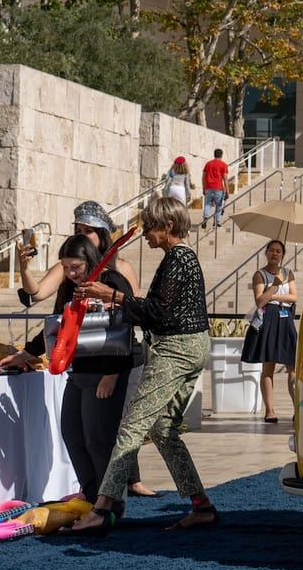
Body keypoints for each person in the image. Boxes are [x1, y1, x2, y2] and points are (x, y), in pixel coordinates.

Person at [70, 196, 217, 534]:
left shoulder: (177, 259)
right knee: (163, 430)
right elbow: (158, 309)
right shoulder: (182, 258)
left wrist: (112, 296)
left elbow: (156, 312)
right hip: (192, 346)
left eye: (150, 227)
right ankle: (202, 506)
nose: (146, 233)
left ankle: (102, 508)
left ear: (168, 226)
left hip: (176, 349)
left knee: (132, 427)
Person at [17, 201, 152, 497]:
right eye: (66, 268)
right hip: (79, 370)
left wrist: (112, 374)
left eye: (75, 268)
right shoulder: (71, 283)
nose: (70, 273)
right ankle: (92, 497)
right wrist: (28, 352)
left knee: (99, 438)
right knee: (73, 435)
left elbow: (125, 326)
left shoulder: (112, 278)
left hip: (107, 370)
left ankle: (109, 501)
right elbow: (58, 322)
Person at [244, 239, 298, 423]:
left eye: (278, 251)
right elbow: (260, 301)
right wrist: (274, 285)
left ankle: (297, 408)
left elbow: (294, 297)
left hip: (285, 318)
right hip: (269, 319)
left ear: (283, 255)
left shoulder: (288, 273)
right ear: (266, 253)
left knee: (293, 367)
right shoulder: (259, 275)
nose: (275, 253)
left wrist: (273, 295)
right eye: (272, 250)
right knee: (268, 367)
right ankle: (269, 410)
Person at [201, 148, 231, 229]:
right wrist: (227, 191)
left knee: (207, 204)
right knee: (219, 205)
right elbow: (225, 178)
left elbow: (203, 177)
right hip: (218, 188)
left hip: (208, 187)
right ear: (221, 155)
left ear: (214, 155)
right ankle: (217, 222)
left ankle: (205, 217)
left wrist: (204, 188)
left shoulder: (208, 164)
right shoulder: (223, 165)